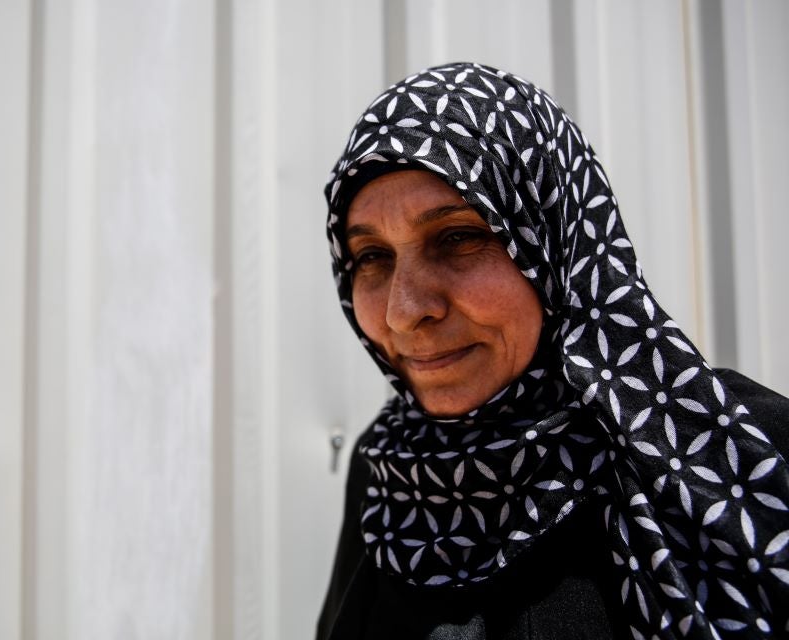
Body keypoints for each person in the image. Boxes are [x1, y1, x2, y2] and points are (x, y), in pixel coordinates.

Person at [316, 62, 789, 640]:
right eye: (371, 256)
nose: (402, 310)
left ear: (556, 243)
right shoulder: (390, 467)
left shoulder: (729, 448)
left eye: (459, 236)